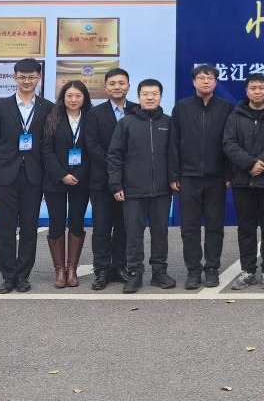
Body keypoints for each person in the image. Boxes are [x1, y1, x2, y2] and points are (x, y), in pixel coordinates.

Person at [0, 58, 53, 293]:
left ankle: (23, 275)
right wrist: (7, 160)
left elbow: (49, 141)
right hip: (4, 176)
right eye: (22, 77)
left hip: (34, 176)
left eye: (31, 77)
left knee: (28, 228)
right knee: (5, 228)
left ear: (39, 78)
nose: (26, 81)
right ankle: (8, 276)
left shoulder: (47, 107)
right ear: (14, 77)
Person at [107, 78, 177, 293]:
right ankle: (135, 273)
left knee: (160, 232)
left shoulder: (168, 122)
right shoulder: (126, 123)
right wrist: (116, 183)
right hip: (133, 190)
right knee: (133, 234)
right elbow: (114, 155)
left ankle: (159, 271)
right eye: (145, 94)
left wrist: (174, 178)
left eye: (154, 94)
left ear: (161, 97)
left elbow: (174, 154)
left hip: (162, 190)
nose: (150, 97)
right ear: (138, 97)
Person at [169, 65, 232, 290]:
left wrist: (229, 173)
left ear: (216, 82)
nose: (206, 81)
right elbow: (173, 143)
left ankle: (212, 268)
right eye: (201, 77)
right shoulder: (182, 108)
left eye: (210, 78)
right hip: (188, 177)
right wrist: (174, 174)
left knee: (215, 226)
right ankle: (193, 271)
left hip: (217, 177)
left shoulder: (226, 108)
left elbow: (231, 143)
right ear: (193, 81)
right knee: (189, 228)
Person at [224, 74, 264, 291]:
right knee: (246, 228)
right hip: (243, 181)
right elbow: (229, 143)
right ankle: (248, 270)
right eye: (253, 88)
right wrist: (249, 164)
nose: (257, 91)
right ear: (246, 91)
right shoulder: (235, 115)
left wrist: (261, 163)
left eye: (261, 88)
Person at [84, 68, 136, 290]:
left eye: (121, 83)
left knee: (124, 227)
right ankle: (102, 270)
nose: (117, 87)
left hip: (131, 181)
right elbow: (92, 145)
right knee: (102, 228)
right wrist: (114, 166)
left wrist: (127, 169)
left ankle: (120, 266)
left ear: (128, 86)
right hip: (101, 180)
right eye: (112, 83)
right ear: (105, 87)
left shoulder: (138, 111)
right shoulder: (94, 113)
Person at [41, 80, 93, 288]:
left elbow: (92, 150)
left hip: (81, 180)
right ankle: (59, 270)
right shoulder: (52, 117)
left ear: (84, 98)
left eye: (78, 96)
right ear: (63, 98)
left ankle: (72, 269)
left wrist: (78, 173)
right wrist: (62, 174)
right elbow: (46, 150)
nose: (73, 99)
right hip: (55, 180)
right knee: (56, 222)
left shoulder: (91, 118)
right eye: (69, 95)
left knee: (76, 221)